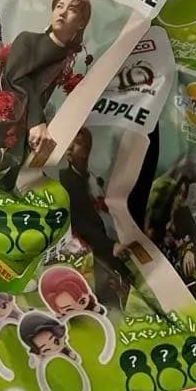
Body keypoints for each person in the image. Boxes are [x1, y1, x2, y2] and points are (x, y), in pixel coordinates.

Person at [0, 0, 92, 190]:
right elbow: (16, 78)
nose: (62, 12)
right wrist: (37, 121)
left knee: (7, 185)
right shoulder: (28, 39)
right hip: (1, 118)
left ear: (81, 23)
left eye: (71, 9)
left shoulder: (67, 58)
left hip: (29, 135)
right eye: (59, 6)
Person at [59, 127, 132, 307]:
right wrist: (109, 245)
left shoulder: (95, 179)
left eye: (77, 143)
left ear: (87, 150)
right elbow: (78, 221)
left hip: (114, 240)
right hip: (92, 250)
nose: (70, 147)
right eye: (69, 141)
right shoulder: (65, 180)